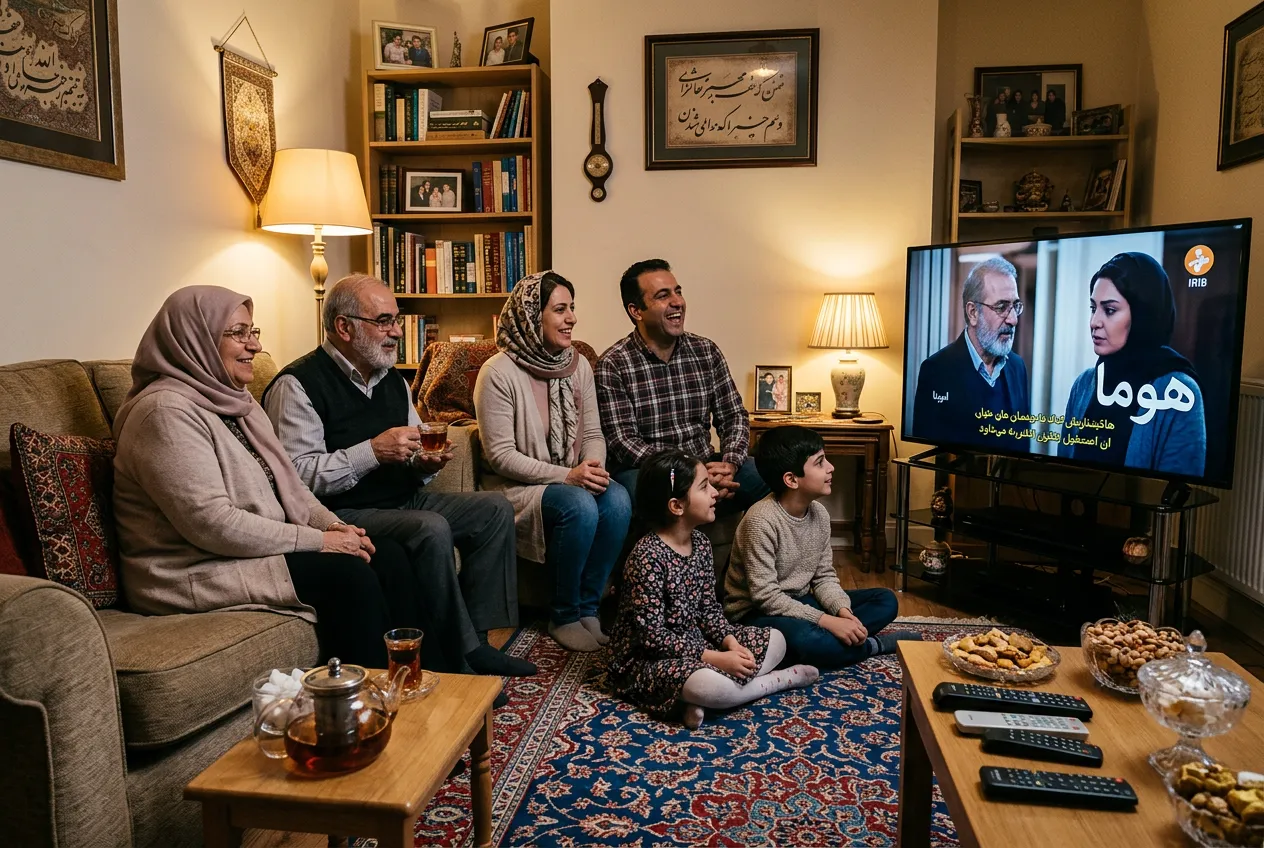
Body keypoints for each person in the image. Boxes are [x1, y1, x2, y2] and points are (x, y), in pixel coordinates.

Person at [112, 286, 418, 668]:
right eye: (238, 333)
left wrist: (339, 528)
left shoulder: (238, 401)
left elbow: (291, 487)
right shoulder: (163, 412)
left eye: (252, 332)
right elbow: (212, 524)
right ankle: (363, 707)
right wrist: (318, 541)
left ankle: (419, 685)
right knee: (347, 576)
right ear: (196, 339)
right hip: (193, 568)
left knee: (385, 553)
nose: (254, 346)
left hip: (252, 550)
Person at [263, 274, 535, 687]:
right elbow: (298, 477)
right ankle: (458, 662)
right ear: (344, 327)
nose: (396, 331)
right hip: (342, 513)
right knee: (430, 527)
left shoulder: (391, 379)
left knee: (494, 509)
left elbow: (409, 453)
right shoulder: (297, 385)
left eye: (396, 319)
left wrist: (424, 465)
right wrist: (371, 450)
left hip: (401, 501)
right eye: (385, 320)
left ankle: (479, 641)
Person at [474, 271, 632, 652]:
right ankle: (563, 615)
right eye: (560, 309)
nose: (572, 318)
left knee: (618, 499)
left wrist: (591, 469)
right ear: (532, 317)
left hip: (569, 477)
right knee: (578, 504)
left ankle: (588, 609)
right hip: (515, 487)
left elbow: (594, 434)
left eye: (572, 308)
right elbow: (501, 456)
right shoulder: (497, 373)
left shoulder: (578, 366)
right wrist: (569, 477)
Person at [607, 450, 819, 729]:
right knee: (706, 683)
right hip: (649, 660)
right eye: (704, 487)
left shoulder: (702, 544)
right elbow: (653, 639)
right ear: (676, 506)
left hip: (698, 646)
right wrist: (717, 659)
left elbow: (709, 611)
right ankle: (776, 682)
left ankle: (700, 697)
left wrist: (731, 644)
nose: (715, 494)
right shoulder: (647, 556)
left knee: (776, 640)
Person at [725, 427, 920, 669]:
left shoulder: (820, 514)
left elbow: (824, 577)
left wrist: (843, 613)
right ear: (791, 479)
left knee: (886, 600)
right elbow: (766, 598)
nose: (831, 467)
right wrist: (827, 621)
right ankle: (872, 646)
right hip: (756, 615)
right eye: (820, 463)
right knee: (806, 638)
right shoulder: (760, 522)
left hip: (802, 602)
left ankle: (824, 646)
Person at [595, 258, 770, 515]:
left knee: (774, 476)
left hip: (707, 462)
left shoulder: (705, 351)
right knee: (641, 492)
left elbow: (733, 416)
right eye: (663, 296)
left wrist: (730, 463)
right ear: (636, 311)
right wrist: (691, 474)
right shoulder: (614, 364)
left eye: (678, 292)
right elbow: (623, 442)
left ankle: (757, 554)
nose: (677, 302)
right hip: (650, 471)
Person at [1059, 252, 1206, 476]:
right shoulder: (1085, 383)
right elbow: (1063, 470)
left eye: (1109, 310)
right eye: (1093, 308)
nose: (1094, 322)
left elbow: (1178, 486)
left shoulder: (1178, 391)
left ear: (1142, 315)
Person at [911, 256, 1031, 446]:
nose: (1013, 319)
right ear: (973, 313)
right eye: (1002, 307)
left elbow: (1022, 444)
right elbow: (928, 453)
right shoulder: (936, 370)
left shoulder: (1017, 367)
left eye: (1015, 306)